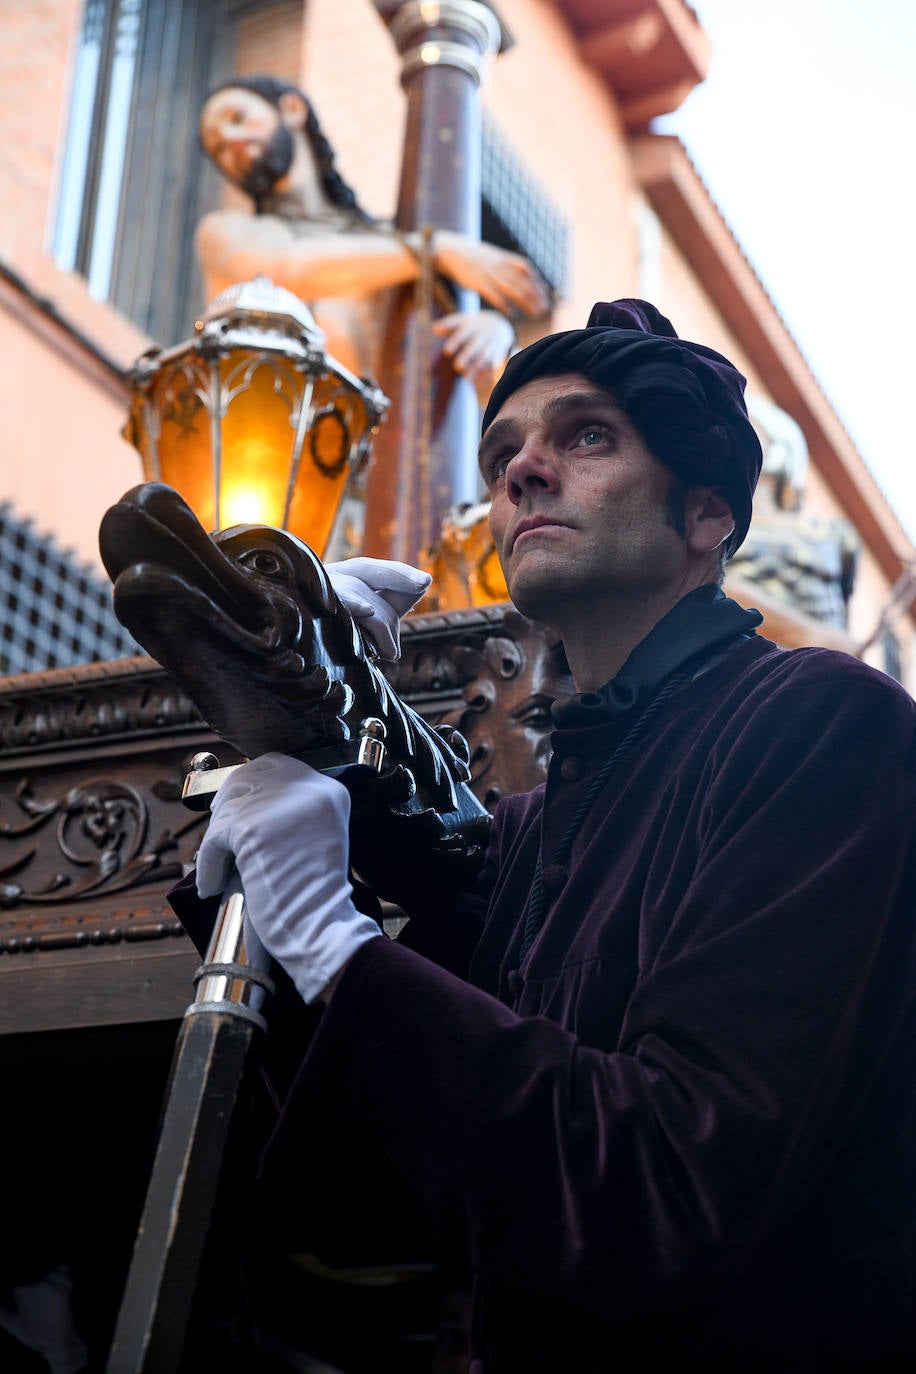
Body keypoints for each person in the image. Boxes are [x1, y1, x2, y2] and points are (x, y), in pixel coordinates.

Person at [175, 299, 916, 1371]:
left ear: (707, 514)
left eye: (585, 435)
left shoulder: (820, 723)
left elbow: (670, 1187)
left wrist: (336, 946)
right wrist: (307, 745)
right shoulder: (543, 823)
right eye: (503, 449)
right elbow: (383, 1183)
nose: (521, 470)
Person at [196, 74, 550, 388]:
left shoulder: (390, 242)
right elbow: (285, 268)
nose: (230, 142)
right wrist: (436, 250)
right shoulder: (225, 232)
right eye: (218, 148)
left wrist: (497, 335)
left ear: (291, 109)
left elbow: (483, 380)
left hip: (408, 452)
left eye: (237, 118)